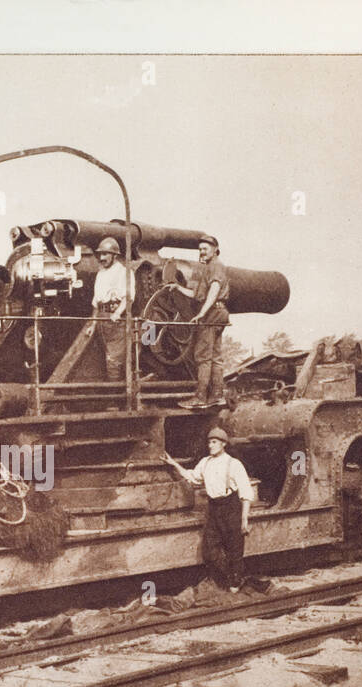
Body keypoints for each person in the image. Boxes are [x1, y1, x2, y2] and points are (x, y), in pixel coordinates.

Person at [162, 424, 254, 593]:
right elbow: (192, 477)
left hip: (231, 506)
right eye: (209, 442)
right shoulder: (205, 463)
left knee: (235, 549)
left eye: (214, 442)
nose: (210, 445)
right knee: (210, 551)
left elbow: (246, 493)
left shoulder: (234, 464)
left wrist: (244, 519)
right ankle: (233, 578)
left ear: (223, 444)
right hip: (214, 508)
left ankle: (235, 583)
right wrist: (174, 463)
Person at [166, 233, 230, 408]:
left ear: (215, 250)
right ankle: (217, 395)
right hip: (220, 311)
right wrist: (178, 287)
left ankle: (200, 397)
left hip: (212, 312)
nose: (202, 252)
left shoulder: (215, 266)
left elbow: (214, 289)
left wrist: (202, 312)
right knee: (215, 357)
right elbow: (196, 295)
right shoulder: (208, 268)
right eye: (200, 249)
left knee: (202, 356)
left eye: (205, 249)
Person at [90, 237, 132, 380]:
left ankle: (116, 398)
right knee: (104, 359)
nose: (102, 258)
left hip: (116, 322)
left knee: (113, 360)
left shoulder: (124, 272)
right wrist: (93, 323)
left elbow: (129, 297)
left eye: (105, 254)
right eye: (100, 254)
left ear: (115, 255)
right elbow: (96, 302)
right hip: (102, 319)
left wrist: (118, 312)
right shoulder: (100, 274)